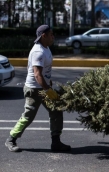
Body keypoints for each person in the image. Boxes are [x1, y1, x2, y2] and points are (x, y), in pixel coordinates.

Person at [5, 24, 71, 152]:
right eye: (51, 34)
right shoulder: (38, 52)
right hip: (34, 90)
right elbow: (37, 74)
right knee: (28, 116)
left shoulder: (45, 48)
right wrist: (47, 90)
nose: (53, 37)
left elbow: (45, 72)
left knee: (56, 111)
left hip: (43, 87)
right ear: (43, 36)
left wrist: (49, 84)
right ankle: (11, 139)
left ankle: (56, 142)